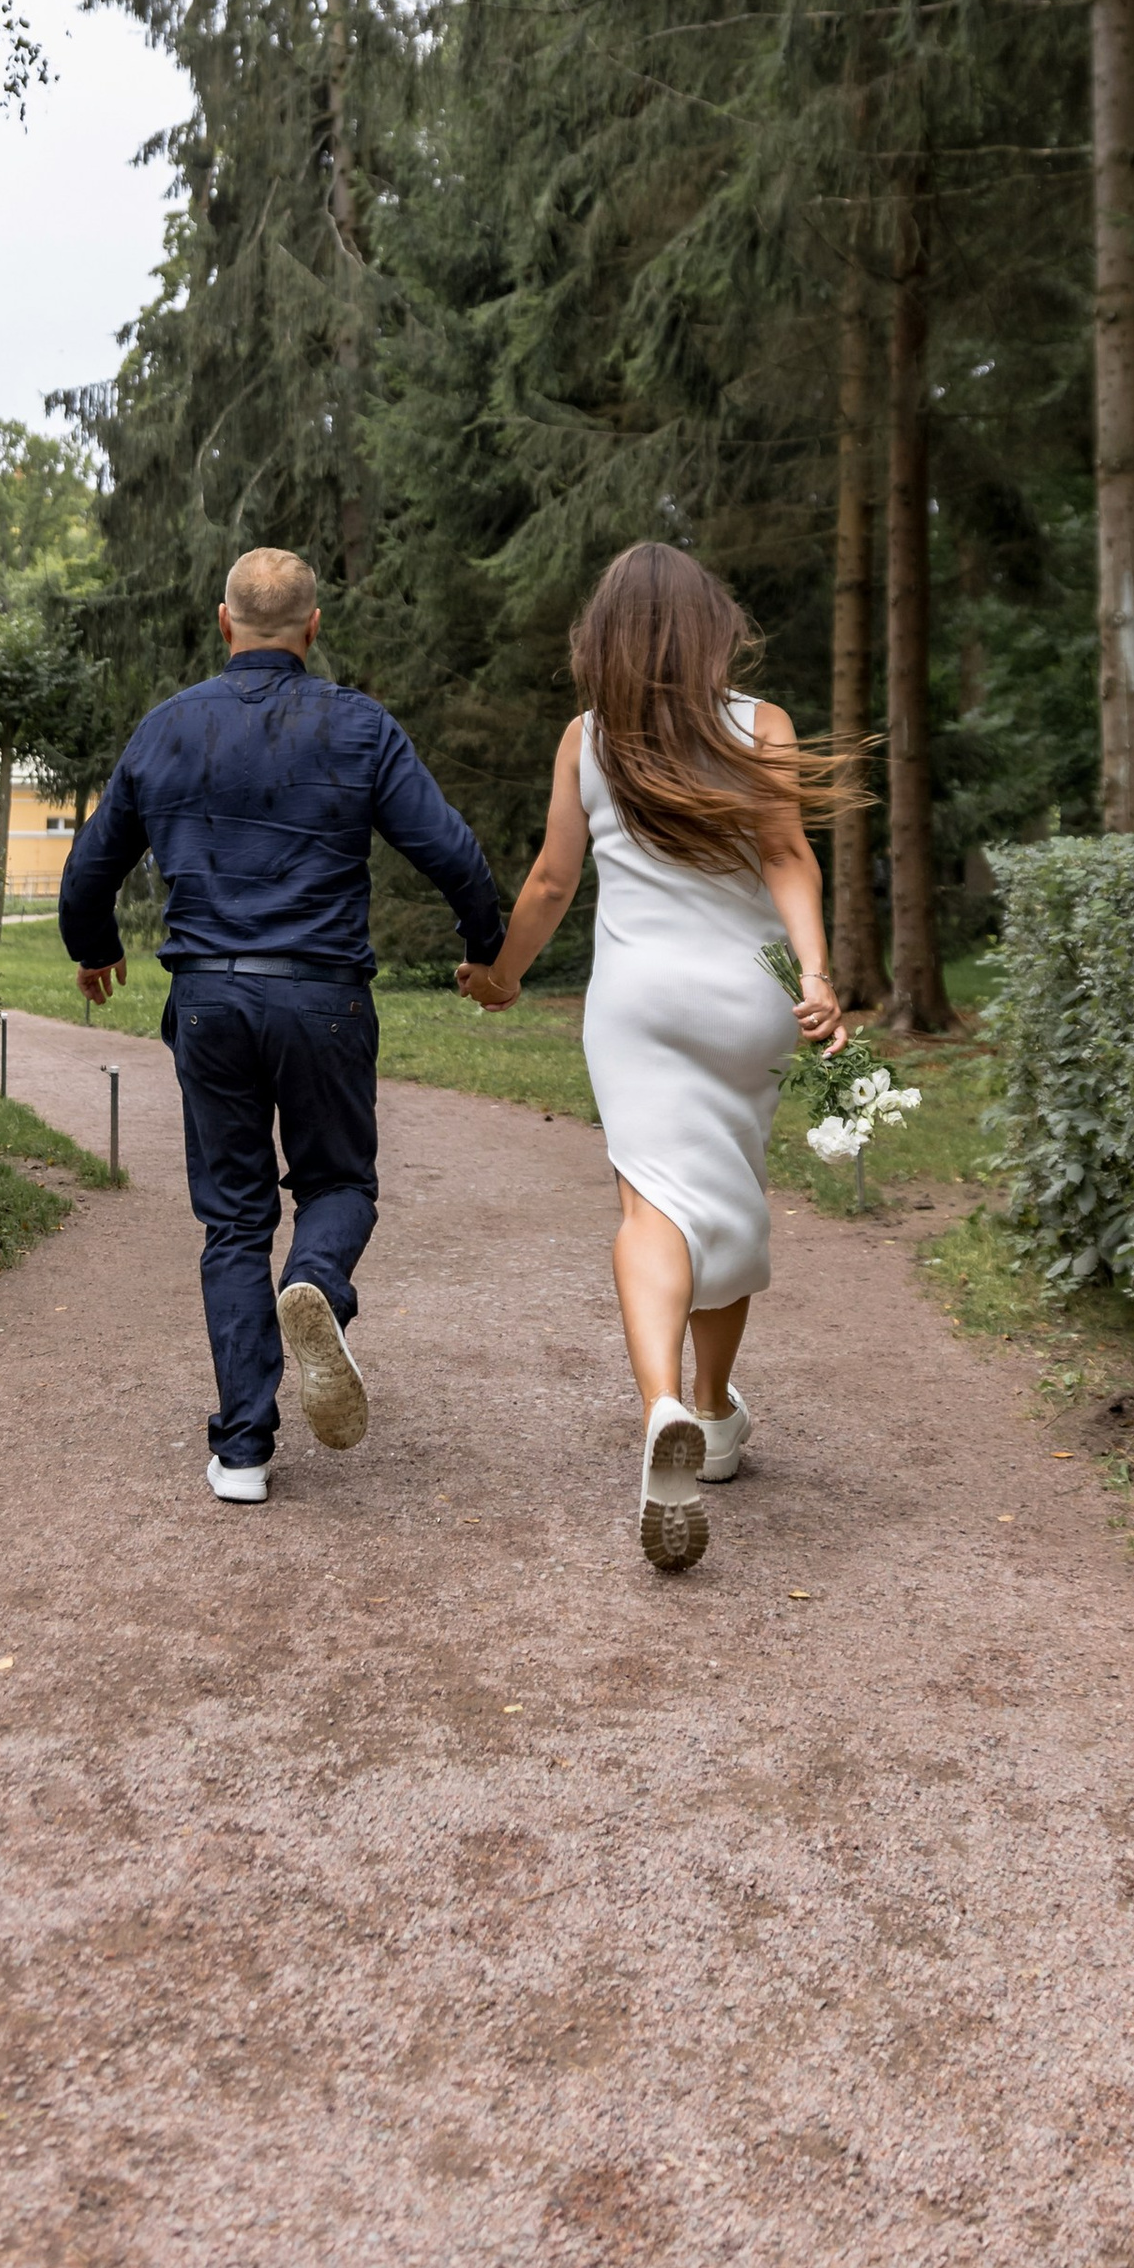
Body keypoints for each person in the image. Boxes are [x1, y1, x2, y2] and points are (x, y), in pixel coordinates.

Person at [59, 548, 505, 1505]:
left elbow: (90, 866)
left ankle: (243, 1449)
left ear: (224, 624)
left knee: (231, 1219)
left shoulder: (168, 728)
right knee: (339, 1181)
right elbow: (451, 850)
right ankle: (317, 1285)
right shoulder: (359, 727)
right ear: (311, 627)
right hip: (325, 999)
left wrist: (92, 949)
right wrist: (485, 950)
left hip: (211, 1000)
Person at [457, 541, 854, 1572]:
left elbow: (550, 883)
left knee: (651, 1205)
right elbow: (787, 858)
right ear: (712, 629)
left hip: (637, 1006)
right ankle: (715, 1417)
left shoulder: (586, 739)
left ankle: (661, 1407)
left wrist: (502, 976)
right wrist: (815, 974)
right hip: (747, 1002)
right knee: (725, 1191)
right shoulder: (759, 725)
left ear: (606, 642)